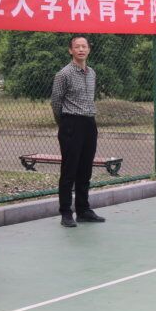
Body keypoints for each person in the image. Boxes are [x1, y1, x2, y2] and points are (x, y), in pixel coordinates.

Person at [50, 35, 105, 227]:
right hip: (71, 123)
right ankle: (66, 212)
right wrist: (64, 123)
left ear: (89, 49)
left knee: (85, 169)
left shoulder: (92, 73)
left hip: (89, 123)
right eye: (77, 47)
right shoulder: (63, 74)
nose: (81, 49)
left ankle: (83, 210)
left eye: (84, 46)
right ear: (70, 50)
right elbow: (56, 102)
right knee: (69, 170)